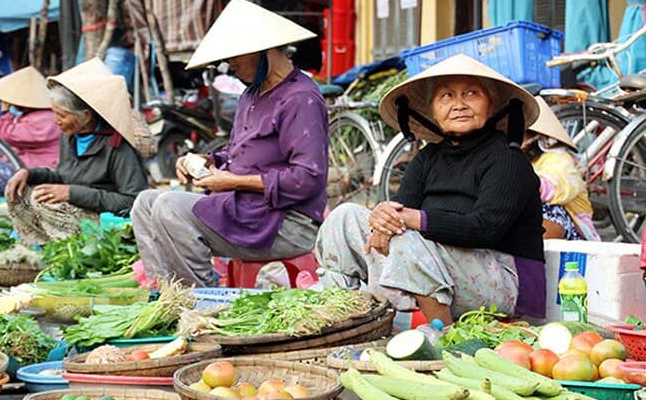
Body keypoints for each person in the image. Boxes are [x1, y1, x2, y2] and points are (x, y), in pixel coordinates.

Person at [315, 54, 546, 324]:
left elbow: (485, 228)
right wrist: (383, 216)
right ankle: (341, 320)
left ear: (491, 105)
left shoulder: (508, 160)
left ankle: (444, 335)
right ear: (432, 112)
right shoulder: (427, 158)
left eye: (471, 94)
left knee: (405, 236)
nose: (459, 105)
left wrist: (411, 219)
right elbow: (400, 211)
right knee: (344, 218)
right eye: (446, 96)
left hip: (507, 283)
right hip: (442, 269)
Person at [131, 0, 328, 287]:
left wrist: (234, 180)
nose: (230, 64)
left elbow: (307, 179)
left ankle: (203, 301)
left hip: (285, 224)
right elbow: (240, 153)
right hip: (245, 211)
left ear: (265, 50)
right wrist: (209, 162)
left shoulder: (300, 98)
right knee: (145, 202)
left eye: (236, 55)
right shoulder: (252, 94)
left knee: (170, 206)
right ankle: (169, 293)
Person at [4, 58, 149, 244]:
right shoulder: (70, 136)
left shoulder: (118, 147)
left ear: (86, 116)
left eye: (62, 115)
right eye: (54, 113)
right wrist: (28, 174)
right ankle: (40, 244)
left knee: (46, 206)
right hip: (76, 210)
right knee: (20, 194)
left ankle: (70, 249)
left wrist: (72, 193)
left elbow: (133, 201)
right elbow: (64, 176)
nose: (56, 121)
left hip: (106, 222)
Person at [524, 97, 600, 241]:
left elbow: (556, 189)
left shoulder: (560, 159)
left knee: (541, 208)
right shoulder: (519, 161)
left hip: (577, 235)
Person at [0, 66, 61, 168]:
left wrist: (5, 111)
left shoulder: (43, 119)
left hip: (39, 165)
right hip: (32, 161)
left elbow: (8, 136)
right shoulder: (38, 115)